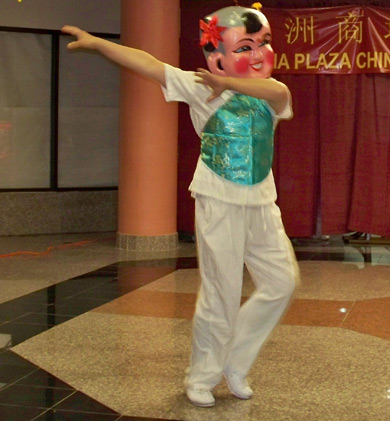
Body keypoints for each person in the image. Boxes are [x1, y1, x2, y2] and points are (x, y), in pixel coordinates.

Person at [62, 3, 300, 408]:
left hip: (262, 203)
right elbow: (148, 63)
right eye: (245, 46)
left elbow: (279, 92)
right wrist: (101, 44)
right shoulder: (199, 85)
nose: (259, 54)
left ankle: (235, 363)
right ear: (217, 56)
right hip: (218, 201)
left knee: (283, 283)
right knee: (220, 294)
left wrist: (231, 84)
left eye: (264, 43)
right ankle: (203, 375)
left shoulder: (269, 91)